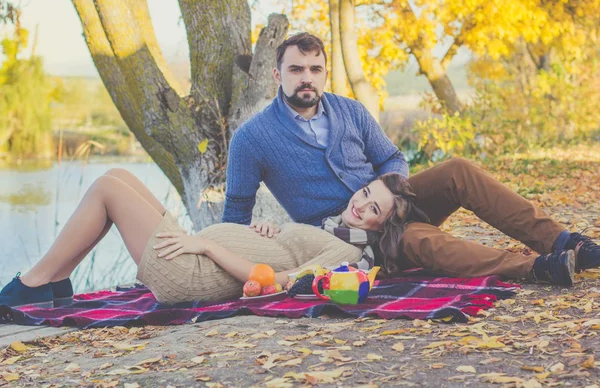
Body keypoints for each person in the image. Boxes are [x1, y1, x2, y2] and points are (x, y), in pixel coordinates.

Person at [222, 32, 600, 282]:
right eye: (296, 69)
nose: (306, 77)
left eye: (315, 69)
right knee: (420, 240)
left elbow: (391, 157)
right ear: (277, 74)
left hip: (389, 201)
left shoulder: (350, 110)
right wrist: (248, 243)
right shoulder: (251, 138)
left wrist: (390, 196)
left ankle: (563, 241)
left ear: (324, 73)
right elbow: (235, 215)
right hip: (346, 234)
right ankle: (538, 269)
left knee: (457, 170)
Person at [0, 169, 428, 308]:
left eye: (375, 209)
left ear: (380, 226)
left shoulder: (347, 253)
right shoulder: (335, 230)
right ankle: (56, 282)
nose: (362, 204)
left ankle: (33, 284)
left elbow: (280, 281)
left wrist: (209, 245)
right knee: (119, 176)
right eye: (367, 192)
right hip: (194, 257)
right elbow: (281, 252)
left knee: (107, 190)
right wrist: (267, 232)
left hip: (189, 274)